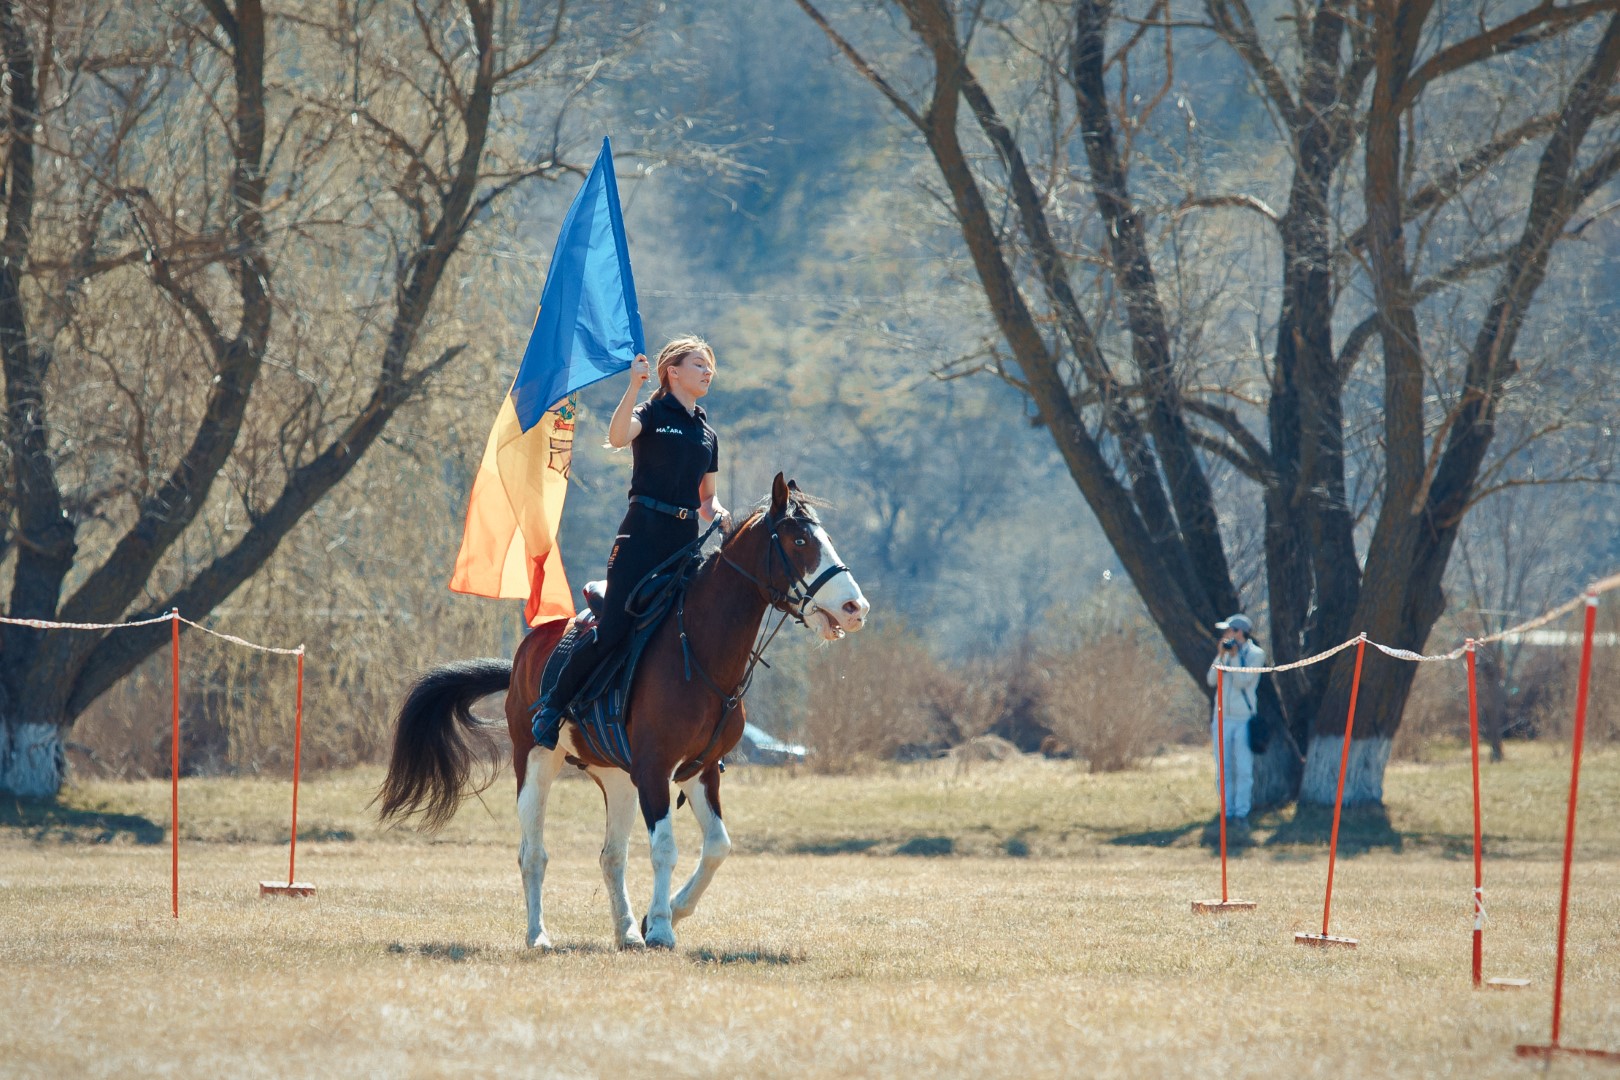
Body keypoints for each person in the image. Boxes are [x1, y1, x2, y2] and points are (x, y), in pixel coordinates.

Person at [531, 335, 731, 747]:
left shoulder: (708, 434)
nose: (708, 371)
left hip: (684, 544)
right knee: (613, 631)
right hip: (641, 537)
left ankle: (698, 731)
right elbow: (620, 436)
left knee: (699, 627)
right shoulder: (651, 412)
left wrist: (720, 512)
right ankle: (552, 707)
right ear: (672, 372)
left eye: (709, 365)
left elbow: (706, 499)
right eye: (698, 363)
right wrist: (634, 385)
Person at [1205, 613, 1265, 829]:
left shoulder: (1256, 655)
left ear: (1240, 632)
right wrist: (1221, 656)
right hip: (1222, 719)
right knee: (1224, 768)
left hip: (1243, 720)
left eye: (1229, 630)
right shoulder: (1224, 653)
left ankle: (1241, 813)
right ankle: (1227, 811)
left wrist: (1235, 657)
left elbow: (1242, 682)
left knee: (1243, 768)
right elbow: (1211, 680)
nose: (1226, 635)